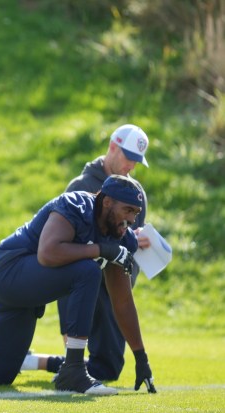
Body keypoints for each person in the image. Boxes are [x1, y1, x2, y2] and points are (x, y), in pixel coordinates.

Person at [0, 175, 158, 395]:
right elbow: (48, 253)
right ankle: (73, 369)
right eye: (127, 210)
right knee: (88, 270)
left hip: (27, 292)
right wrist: (99, 249)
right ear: (107, 202)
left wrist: (141, 357)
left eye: (136, 213)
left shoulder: (121, 237)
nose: (131, 219)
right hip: (8, 273)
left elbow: (123, 301)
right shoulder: (75, 205)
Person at [57, 124, 150, 381]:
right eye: (128, 157)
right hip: (83, 277)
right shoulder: (81, 185)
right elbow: (65, 245)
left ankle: (48, 363)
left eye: (137, 161)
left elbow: (129, 236)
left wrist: (138, 238)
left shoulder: (136, 192)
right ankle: (69, 363)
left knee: (109, 369)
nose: (131, 166)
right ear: (112, 147)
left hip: (114, 283)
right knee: (80, 355)